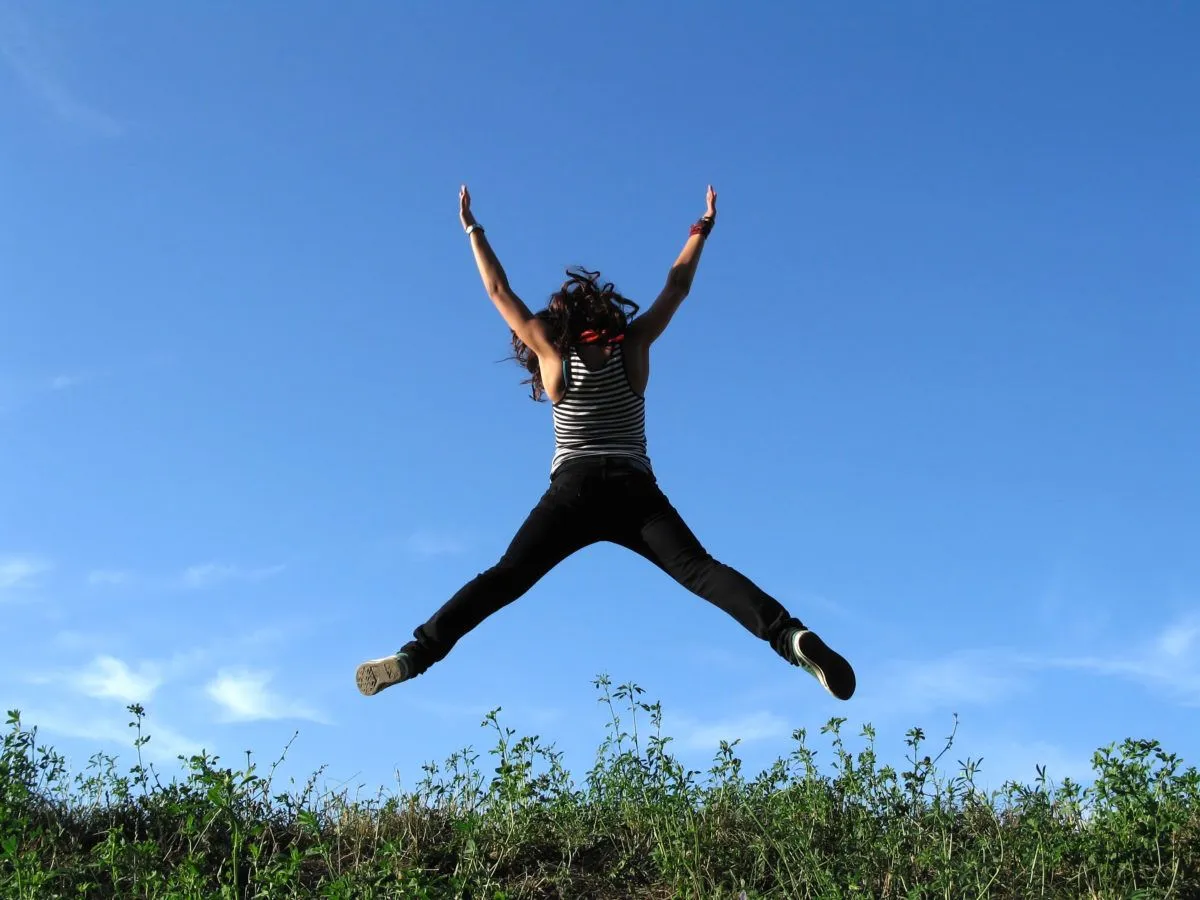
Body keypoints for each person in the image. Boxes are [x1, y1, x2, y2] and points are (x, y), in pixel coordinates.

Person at [355, 185, 855, 701]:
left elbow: (499, 292)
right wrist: (700, 229)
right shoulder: (633, 347)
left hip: (573, 492)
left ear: (564, 322)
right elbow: (677, 286)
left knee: (505, 577)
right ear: (608, 315)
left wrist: (472, 229)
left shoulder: (553, 356)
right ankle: (789, 636)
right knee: (703, 572)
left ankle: (416, 654)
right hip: (634, 492)